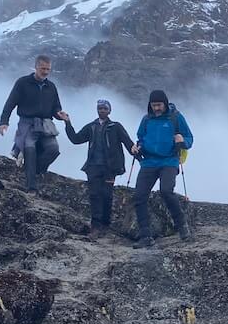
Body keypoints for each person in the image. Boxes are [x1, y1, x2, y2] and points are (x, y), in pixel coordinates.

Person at [130, 89, 193, 249]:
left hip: (169, 161)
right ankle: (146, 235)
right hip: (149, 161)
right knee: (139, 196)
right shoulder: (146, 119)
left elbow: (189, 138)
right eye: (153, 105)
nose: (156, 108)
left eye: (159, 105)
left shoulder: (176, 117)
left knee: (166, 191)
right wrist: (138, 147)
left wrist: (182, 141)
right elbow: (141, 137)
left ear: (165, 103)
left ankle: (182, 226)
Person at [64, 98, 136, 234]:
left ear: (109, 111)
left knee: (107, 195)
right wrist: (67, 123)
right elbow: (76, 139)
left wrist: (137, 154)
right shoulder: (91, 127)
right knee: (94, 195)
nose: (102, 110)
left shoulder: (116, 126)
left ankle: (105, 224)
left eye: (105, 108)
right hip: (93, 166)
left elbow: (128, 142)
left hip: (110, 168)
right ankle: (96, 225)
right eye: (100, 108)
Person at [0, 55, 69, 194]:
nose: (46, 72)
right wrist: (4, 122)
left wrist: (60, 115)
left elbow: (56, 107)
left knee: (53, 150)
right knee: (29, 149)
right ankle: (31, 187)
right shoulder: (23, 83)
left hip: (46, 124)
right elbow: (10, 103)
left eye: (48, 69)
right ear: (36, 67)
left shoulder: (51, 87)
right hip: (27, 123)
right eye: (43, 68)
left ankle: (35, 171)